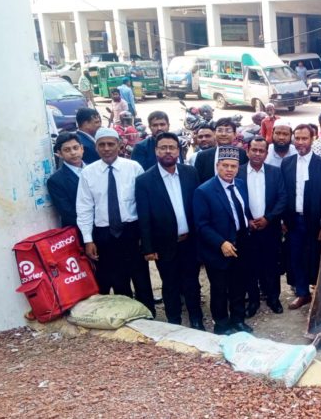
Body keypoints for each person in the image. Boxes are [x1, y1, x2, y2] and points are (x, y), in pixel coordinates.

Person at [76, 128, 155, 316]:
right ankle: (127, 317)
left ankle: (148, 314)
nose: (106, 148)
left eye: (111, 144)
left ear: (119, 145)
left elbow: (145, 203)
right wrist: (88, 239)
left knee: (141, 276)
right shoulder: (88, 173)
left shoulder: (133, 167)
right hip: (105, 234)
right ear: (95, 147)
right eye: (102, 145)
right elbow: (84, 208)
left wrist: (147, 236)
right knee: (118, 279)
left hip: (132, 231)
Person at [136, 132, 203, 330]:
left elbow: (198, 206)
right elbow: (144, 216)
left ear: (178, 150)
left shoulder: (190, 173)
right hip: (164, 243)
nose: (168, 151)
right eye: (163, 147)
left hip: (189, 241)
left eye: (172, 147)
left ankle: (196, 320)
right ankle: (174, 323)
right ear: (156, 151)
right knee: (170, 283)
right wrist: (148, 247)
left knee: (192, 282)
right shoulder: (145, 180)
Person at [193, 146, 253, 335]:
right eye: (225, 165)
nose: (229, 170)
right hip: (218, 247)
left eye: (233, 166)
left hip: (241, 242)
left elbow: (242, 211)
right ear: (217, 166)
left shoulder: (240, 184)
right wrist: (221, 243)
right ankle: (221, 324)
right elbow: (201, 225)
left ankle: (238, 320)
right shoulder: (204, 191)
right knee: (219, 288)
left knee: (239, 284)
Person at [281, 124, 321, 310]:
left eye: (305, 138)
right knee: (296, 257)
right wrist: (283, 219)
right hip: (293, 220)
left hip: (315, 221)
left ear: (312, 139)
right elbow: (284, 193)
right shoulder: (287, 163)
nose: (300, 142)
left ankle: (319, 295)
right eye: (297, 138)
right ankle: (303, 293)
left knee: (316, 258)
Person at [237, 137, 287, 316]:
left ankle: (274, 298)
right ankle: (253, 301)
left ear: (266, 153)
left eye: (261, 151)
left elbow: (282, 198)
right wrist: (247, 220)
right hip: (247, 229)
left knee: (271, 265)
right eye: (254, 150)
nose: (257, 154)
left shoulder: (275, 172)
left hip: (270, 228)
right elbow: (233, 201)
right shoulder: (238, 172)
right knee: (250, 266)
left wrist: (268, 218)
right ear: (247, 151)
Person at [47, 132, 84, 229]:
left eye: (75, 148)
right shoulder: (55, 181)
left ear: (82, 148)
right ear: (60, 154)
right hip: (79, 230)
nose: (73, 152)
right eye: (67, 150)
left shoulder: (95, 170)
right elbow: (67, 213)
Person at [194, 117, 248, 182]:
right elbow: (197, 180)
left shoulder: (242, 154)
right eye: (220, 130)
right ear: (214, 133)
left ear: (235, 134)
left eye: (228, 131)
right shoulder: (202, 156)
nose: (223, 134)